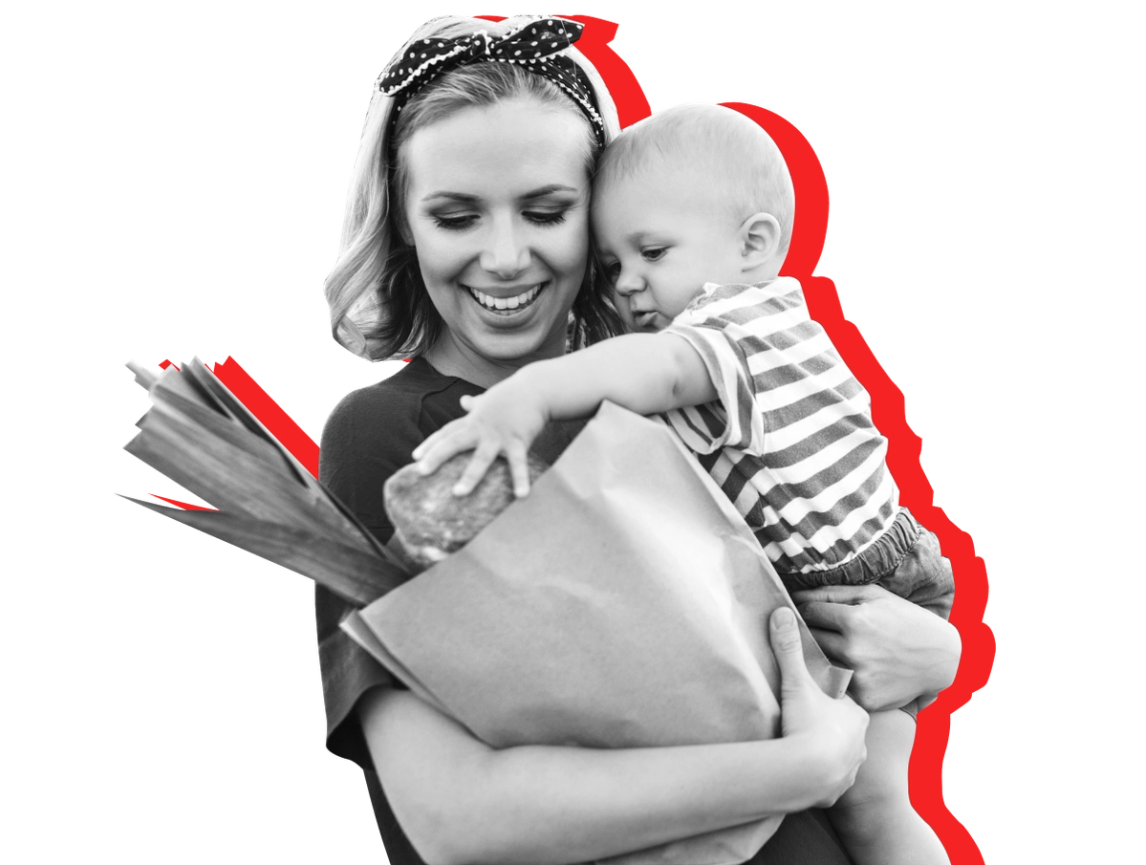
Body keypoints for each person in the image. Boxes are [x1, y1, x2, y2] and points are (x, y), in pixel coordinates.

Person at [319, 14, 960, 865]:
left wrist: (930, 648)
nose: (505, 256)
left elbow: (814, 572)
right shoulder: (400, 436)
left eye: (547, 210)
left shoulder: (670, 392)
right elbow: (452, 817)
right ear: (404, 225)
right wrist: (801, 766)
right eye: (456, 216)